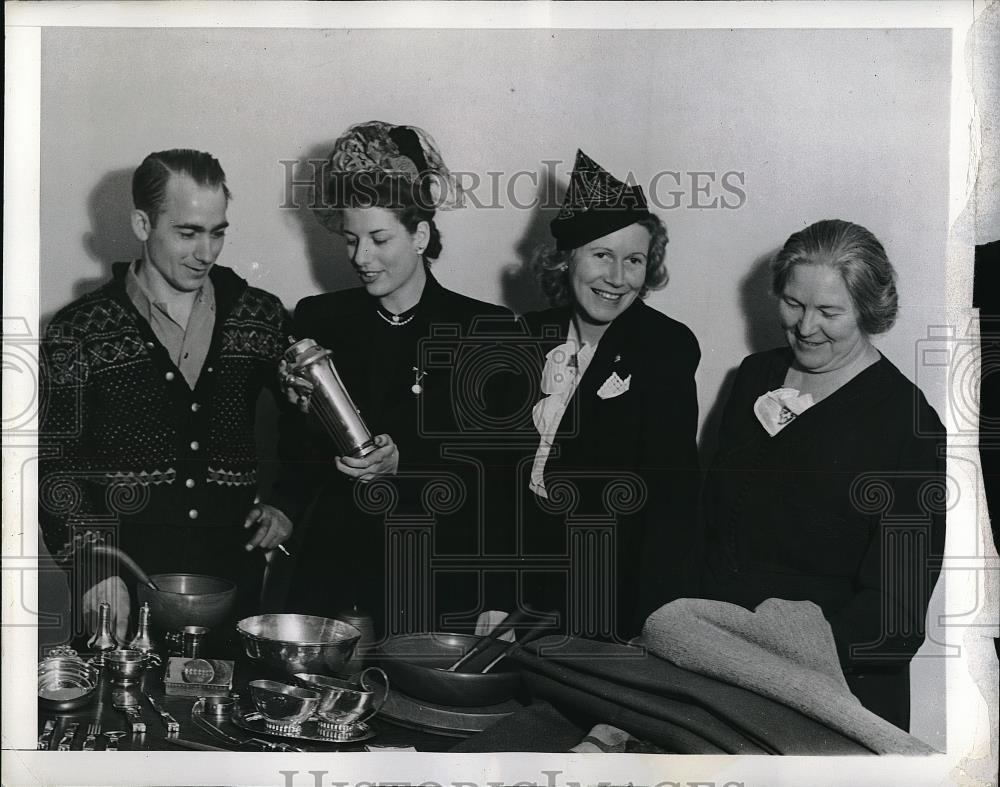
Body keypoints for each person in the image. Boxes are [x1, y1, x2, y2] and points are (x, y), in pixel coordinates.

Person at [697, 219, 946, 730]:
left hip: (833, 684)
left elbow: (894, 616)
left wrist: (775, 660)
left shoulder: (909, 424)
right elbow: (710, 526)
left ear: (868, 311)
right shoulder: (753, 377)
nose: (806, 327)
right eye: (793, 303)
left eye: (829, 311)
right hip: (719, 656)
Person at [273, 122, 519, 637]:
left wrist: (498, 595)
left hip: (435, 578)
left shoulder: (486, 331)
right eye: (351, 239)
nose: (361, 258)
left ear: (421, 235)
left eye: (380, 239)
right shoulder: (320, 320)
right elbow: (296, 455)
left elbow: (499, 481)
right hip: (332, 573)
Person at [39, 149, 294, 640]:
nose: (207, 252)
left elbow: (312, 422)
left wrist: (287, 503)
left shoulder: (260, 316)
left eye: (217, 231)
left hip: (234, 594)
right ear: (142, 223)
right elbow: (54, 464)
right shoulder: (78, 329)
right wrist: (93, 567)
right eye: (187, 232)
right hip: (120, 588)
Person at [518, 149, 702, 640]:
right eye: (602, 254)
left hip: (608, 599)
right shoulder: (524, 336)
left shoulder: (665, 346)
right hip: (520, 587)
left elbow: (671, 503)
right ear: (565, 259)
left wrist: (651, 630)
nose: (618, 278)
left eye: (634, 260)